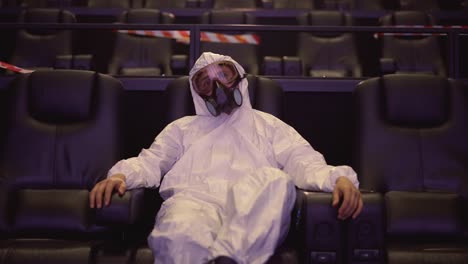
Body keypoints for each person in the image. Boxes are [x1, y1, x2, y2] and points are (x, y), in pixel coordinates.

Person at [89, 52, 363, 264]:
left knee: (276, 181)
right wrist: (121, 175)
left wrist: (337, 178)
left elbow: (303, 161)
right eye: (206, 82)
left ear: (239, 78)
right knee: (180, 229)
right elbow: (151, 161)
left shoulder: (268, 125)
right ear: (198, 93)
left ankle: (228, 258)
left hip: (249, 208)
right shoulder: (182, 128)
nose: (217, 86)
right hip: (194, 202)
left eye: (223, 75)